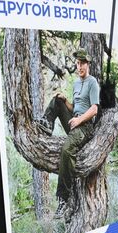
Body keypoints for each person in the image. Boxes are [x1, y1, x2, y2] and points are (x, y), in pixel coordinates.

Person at [38, 48, 100, 214]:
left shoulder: (92, 82)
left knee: (67, 150)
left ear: (87, 65)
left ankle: (64, 199)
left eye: (82, 63)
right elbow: (75, 108)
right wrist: (66, 101)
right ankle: (46, 123)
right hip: (74, 121)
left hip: (85, 127)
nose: (79, 67)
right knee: (58, 99)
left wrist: (79, 120)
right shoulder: (76, 83)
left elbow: (94, 109)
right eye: (78, 63)